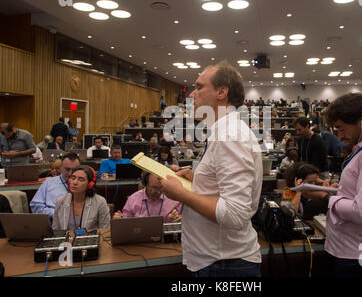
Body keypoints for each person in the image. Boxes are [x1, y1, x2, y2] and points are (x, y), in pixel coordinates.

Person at [160, 61, 263, 277]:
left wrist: (182, 194)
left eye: (199, 87)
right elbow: (222, 188)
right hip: (219, 260)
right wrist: (197, 179)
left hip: (225, 265)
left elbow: (235, 213)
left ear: (221, 92)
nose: (191, 95)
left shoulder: (230, 136)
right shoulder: (224, 132)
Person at [300, 93, 362, 277]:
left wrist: (325, 198)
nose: (339, 136)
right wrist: (335, 188)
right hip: (352, 253)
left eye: (341, 128)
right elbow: (359, 195)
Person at [52, 166, 110, 230]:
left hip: (90, 239)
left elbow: (105, 231)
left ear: (90, 184)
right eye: (73, 178)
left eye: (81, 179)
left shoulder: (100, 202)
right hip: (66, 239)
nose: (75, 182)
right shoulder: (60, 201)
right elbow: (55, 230)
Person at [113, 172, 182, 222]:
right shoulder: (133, 199)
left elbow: (183, 220)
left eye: (161, 188)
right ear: (145, 184)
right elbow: (125, 222)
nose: (158, 192)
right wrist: (119, 220)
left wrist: (179, 218)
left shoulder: (173, 198)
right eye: (154, 188)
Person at [30, 153, 80, 217]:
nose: (70, 173)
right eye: (67, 169)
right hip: (53, 220)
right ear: (61, 168)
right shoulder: (48, 183)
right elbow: (35, 206)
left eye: (74, 170)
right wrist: (57, 214)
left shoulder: (84, 184)